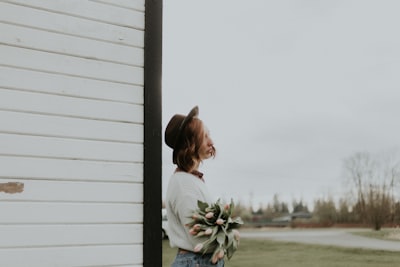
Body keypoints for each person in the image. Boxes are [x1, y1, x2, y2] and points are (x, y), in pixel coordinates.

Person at [165, 106, 223, 267]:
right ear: (190, 144)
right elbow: (199, 238)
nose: (211, 142)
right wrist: (226, 237)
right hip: (195, 262)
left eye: (209, 134)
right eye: (204, 137)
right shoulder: (183, 185)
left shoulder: (191, 180)